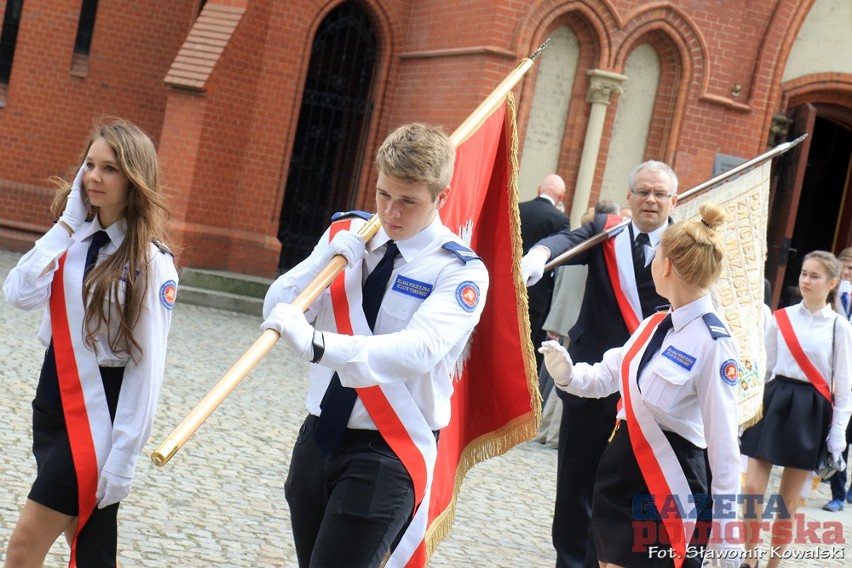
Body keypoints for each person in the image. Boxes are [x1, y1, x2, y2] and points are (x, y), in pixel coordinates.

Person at [261, 123, 489, 567]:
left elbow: (419, 349)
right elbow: (277, 307)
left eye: (408, 201)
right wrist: (323, 262)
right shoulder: (349, 235)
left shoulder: (460, 271)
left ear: (441, 197)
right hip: (319, 434)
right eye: (383, 194)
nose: (391, 212)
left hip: (388, 449)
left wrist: (320, 344)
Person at [2, 119, 178, 567]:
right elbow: (18, 293)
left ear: (134, 181)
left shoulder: (151, 265)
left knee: (24, 547)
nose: (94, 177)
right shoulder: (70, 239)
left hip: (99, 413)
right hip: (53, 402)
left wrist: (123, 458)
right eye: (90, 165)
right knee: (92, 549)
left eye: (110, 169)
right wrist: (65, 225)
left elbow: (147, 369)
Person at [540, 202, 743, 567]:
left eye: (656, 255)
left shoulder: (714, 342)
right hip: (620, 473)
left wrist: (726, 534)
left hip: (666, 479)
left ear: (666, 266)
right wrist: (567, 372)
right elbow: (606, 376)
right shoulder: (654, 325)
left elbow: (724, 443)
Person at [521, 160, 678, 567]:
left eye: (660, 193)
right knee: (574, 493)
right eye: (643, 191)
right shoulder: (607, 231)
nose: (651, 200)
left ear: (673, 200)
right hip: (588, 385)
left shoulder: (683, 244)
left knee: (621, 500)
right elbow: (565, 240)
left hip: (646, 393)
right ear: (628, 197)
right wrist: (538, 254)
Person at [739, 250, 851, 567]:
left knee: (787, 503)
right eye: (803, 273)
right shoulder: (781, 318)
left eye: (814, 276)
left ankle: (773, 564)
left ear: (831, 283)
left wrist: (837, 434)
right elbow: (765, 369)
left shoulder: (839, 328)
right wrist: (747, 408)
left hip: (811, 412)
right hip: (774, 402)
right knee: (751, 488)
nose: (805, 280)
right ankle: (750, 560)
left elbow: (843, 388)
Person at [518, 174, 570, 371]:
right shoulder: (560, 220)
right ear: (562, 195)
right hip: (537, 295)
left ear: (540, 188)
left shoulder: (518, 208)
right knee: (526, 348)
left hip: (506, 286)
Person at [823, 247, 852, 511]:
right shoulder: (828, 298)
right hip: (838, 374)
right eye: (844, 267)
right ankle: (838, 494)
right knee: (839, 433)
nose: (847, 273)